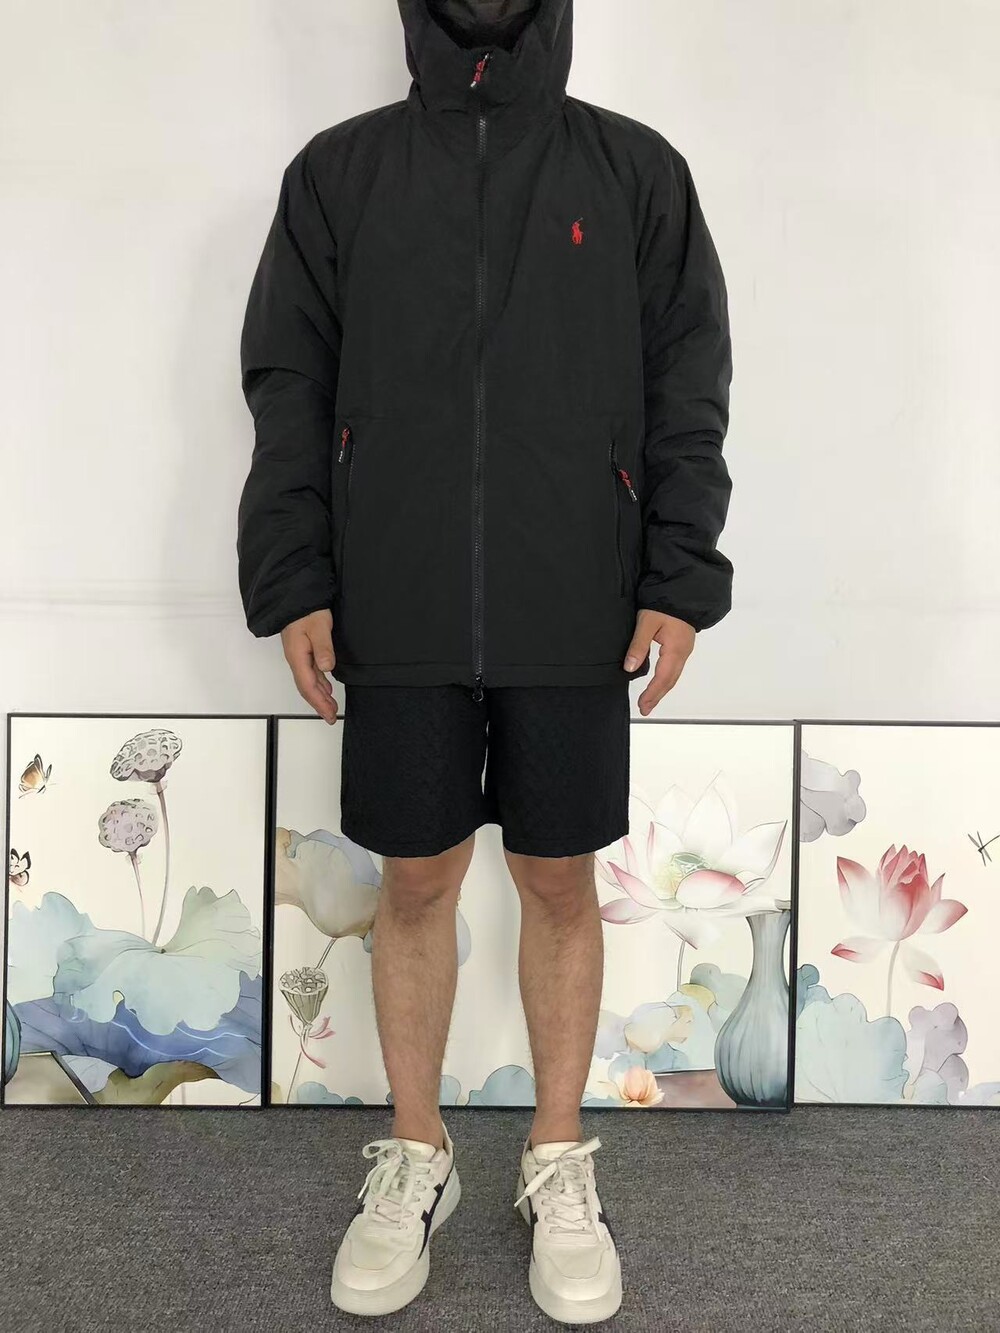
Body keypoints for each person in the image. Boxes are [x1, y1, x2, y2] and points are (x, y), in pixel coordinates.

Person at [237, 0, 732, 1322]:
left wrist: (677, 575)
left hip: (576, 595)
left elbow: (689, 387)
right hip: (394, 593)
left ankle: (556, 1159)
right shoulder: (339, 174)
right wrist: (295, 574)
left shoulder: (634, 172)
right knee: (416, 878)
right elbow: (288, 385)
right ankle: (420, 1155)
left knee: (559, 878)